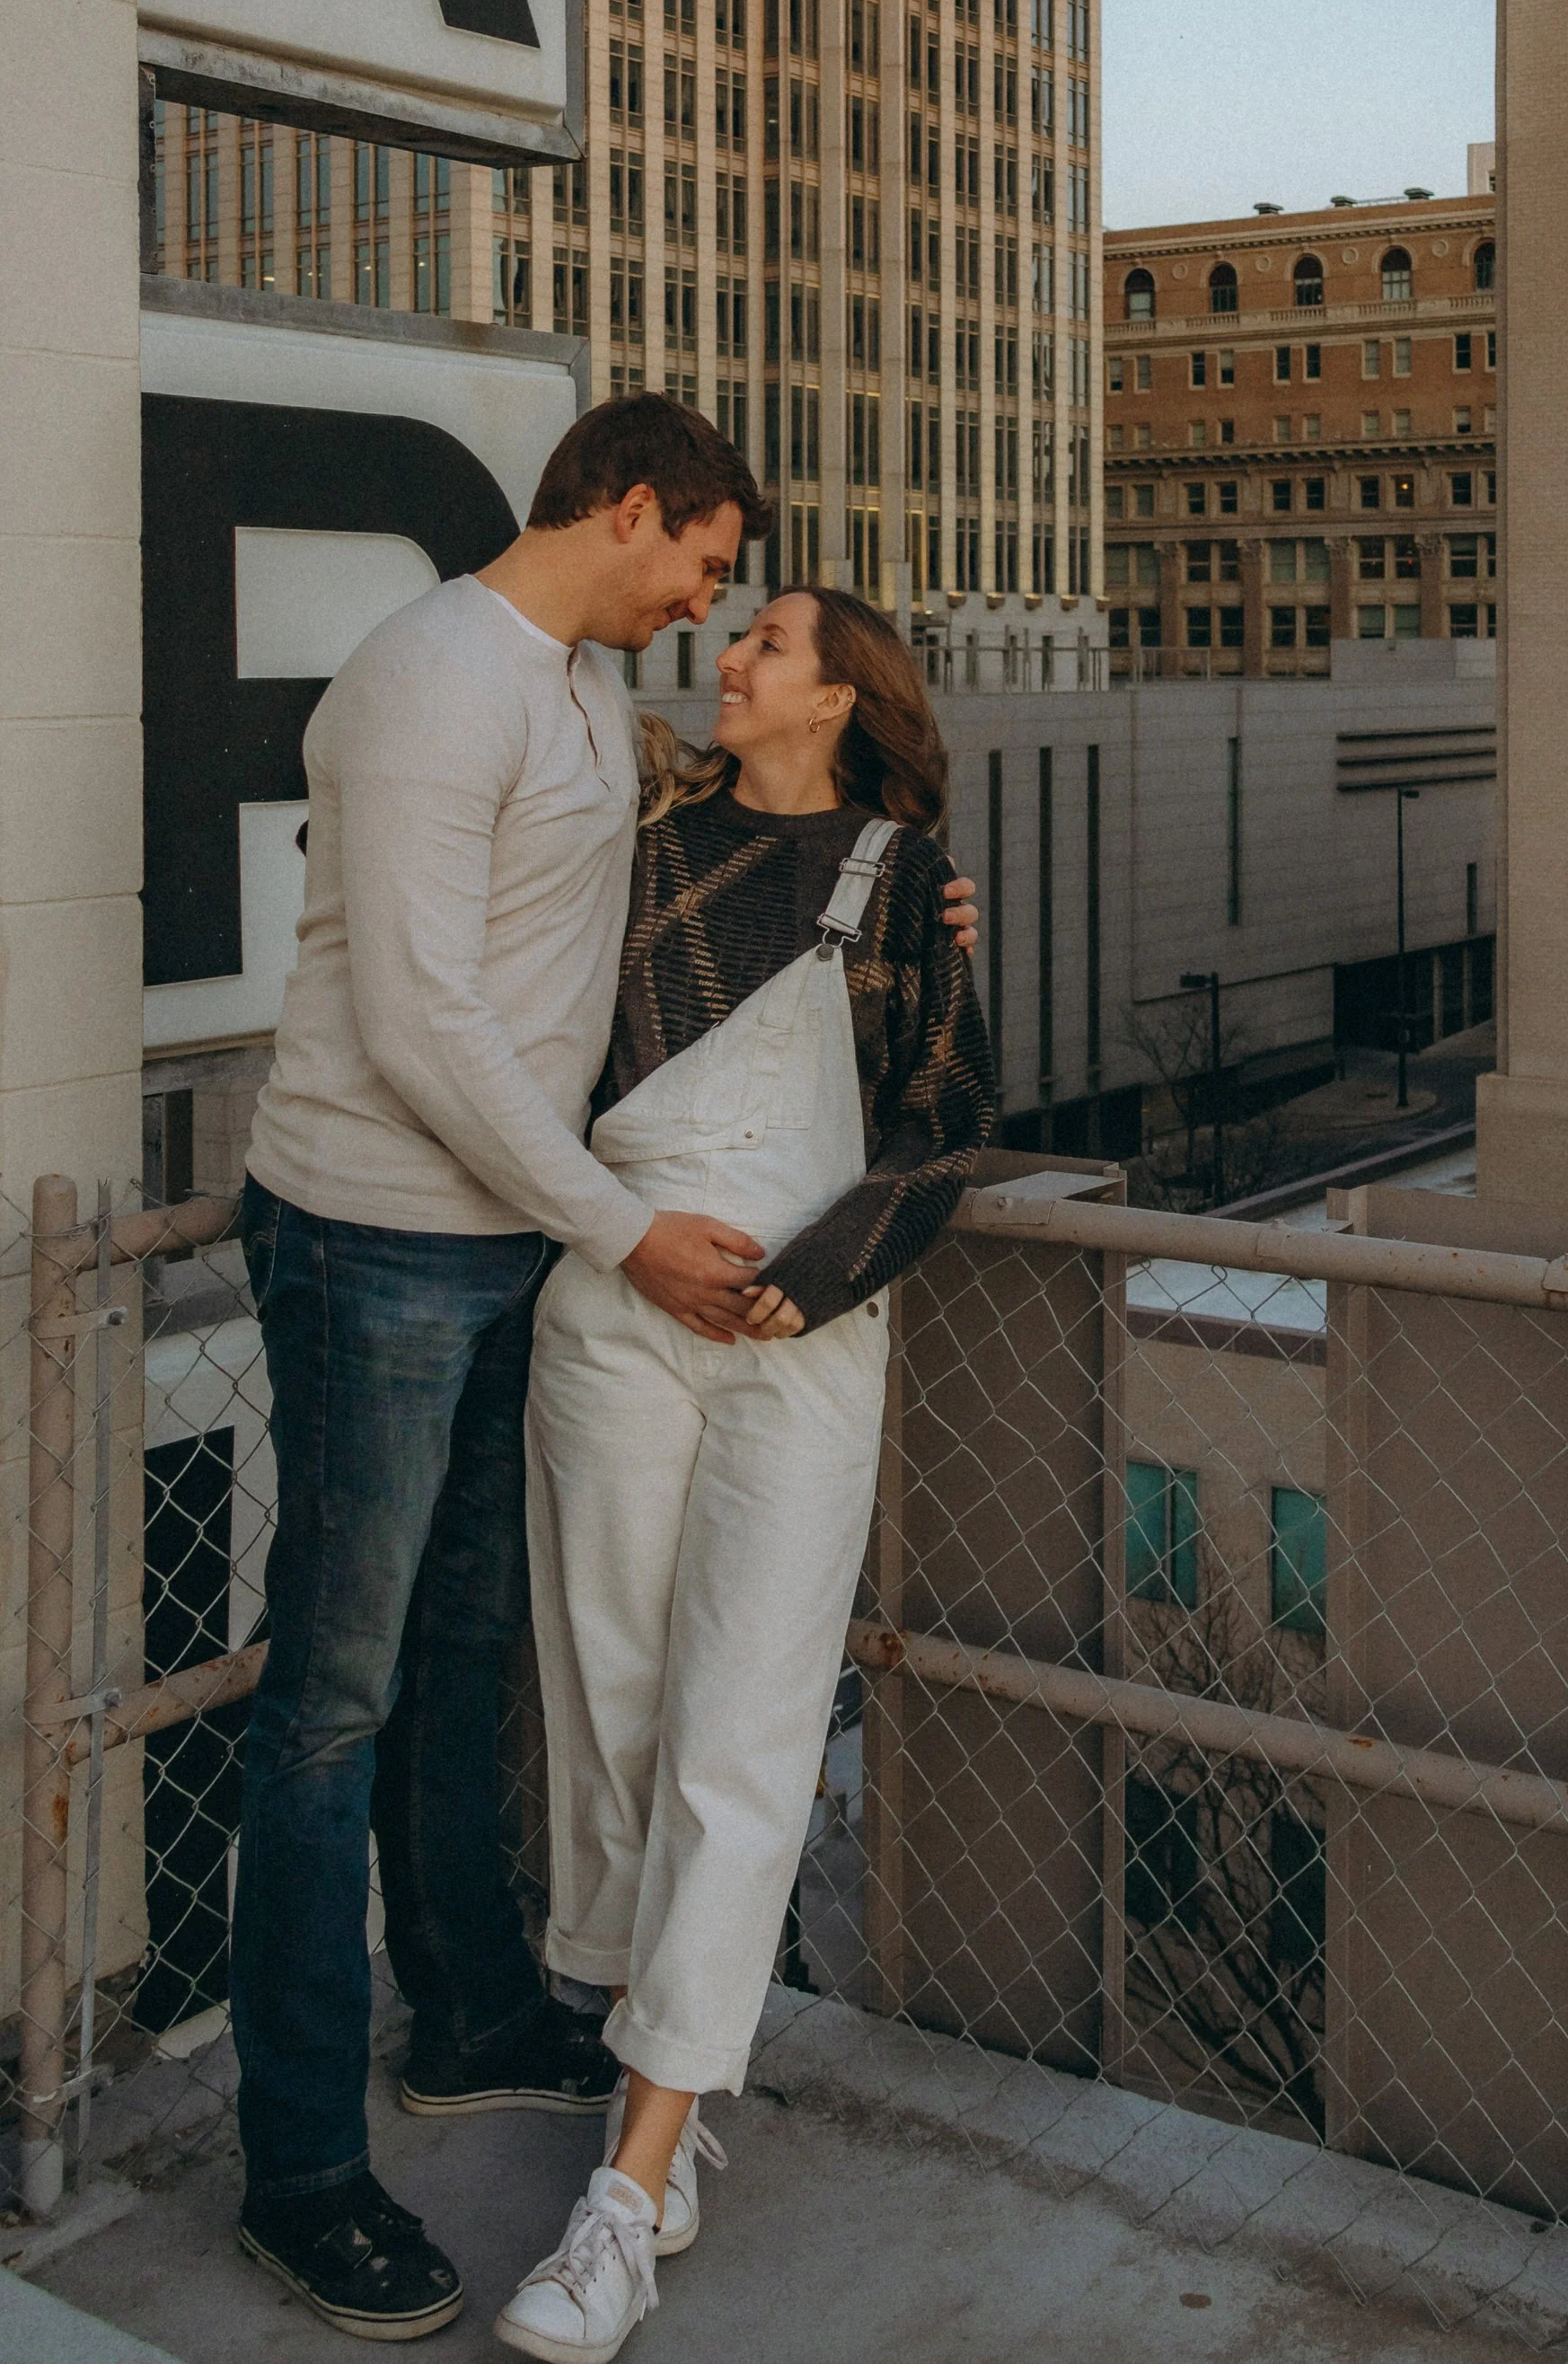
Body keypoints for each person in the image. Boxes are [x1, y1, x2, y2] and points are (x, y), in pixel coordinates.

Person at [228, 400, 976, 2341]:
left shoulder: (582, 708)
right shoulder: (451, 687)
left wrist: (908, 885)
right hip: (420, 1243)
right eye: (710, 571)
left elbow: (915, 1084)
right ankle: (303, 2164)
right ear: (633, 512)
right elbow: (408, 987)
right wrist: (618, 1231)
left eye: (750, 614)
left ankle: (491, 2028)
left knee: (485, 1668)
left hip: (546, 1262)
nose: (714, 616)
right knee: (349, 1698)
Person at [491, 589, 997, 2364]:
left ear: (850, 695)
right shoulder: (628, 833)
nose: (737, 652)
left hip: (801, 1341)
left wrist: (817, 1270)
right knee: (613, 1700)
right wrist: (631, 1239)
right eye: (741, 625)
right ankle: (680, 2078)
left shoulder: (902, 871)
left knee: (745, 1727)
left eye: (775, 639)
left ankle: (620, 2199)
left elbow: (947, 1117)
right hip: (611, 1302)